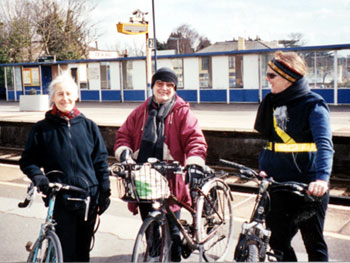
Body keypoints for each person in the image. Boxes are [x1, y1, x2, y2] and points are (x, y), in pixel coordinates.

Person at [114, 67, 208, 261]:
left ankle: (173, 255)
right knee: (150, 227)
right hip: (144, 178)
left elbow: (195, 140)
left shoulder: (182, 112)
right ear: (153, 85)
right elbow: (123, 136)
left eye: (169, 85)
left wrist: (193, 162)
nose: (164, 88)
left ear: (174, 88)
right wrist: (124, 154)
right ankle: (154, 254)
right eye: (160, 83)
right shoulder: (140, 112)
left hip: (171, 179)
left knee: (173, 232)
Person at [19, 72, 111, 262]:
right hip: (60, 197)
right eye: (60, 94)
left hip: (88, 198)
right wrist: (39, 178)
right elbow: (28, 161)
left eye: (69, 94)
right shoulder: (41, 129)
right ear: (52, 97)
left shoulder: (89, 126)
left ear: (76, 96)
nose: (65, 98)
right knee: (66, 253)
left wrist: (105, 191)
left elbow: (100, 162)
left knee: (83, 253)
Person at [254, 51, 334, 261]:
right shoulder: (272, 102)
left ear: (289, 77)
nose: (267, 79)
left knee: (314, 244)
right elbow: (272, 144)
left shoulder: (313, 104)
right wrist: (264, 168)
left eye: (272, 75)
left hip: (308, 187)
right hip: (276, 184)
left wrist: (322, 179)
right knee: (277, 243)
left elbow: (325, 145)